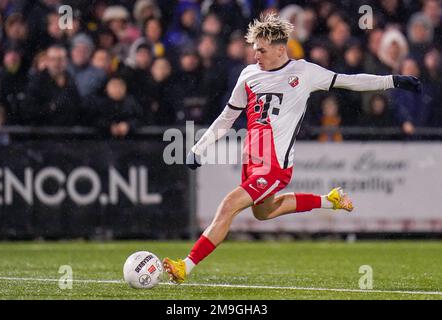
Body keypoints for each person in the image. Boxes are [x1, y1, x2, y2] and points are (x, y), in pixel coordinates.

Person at [163, 14, 421, 284]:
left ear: (280, 49)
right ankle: (329, 200)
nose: (256, 56)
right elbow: (227, 117)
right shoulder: (248, 75)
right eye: (254, 51)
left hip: (274, 165)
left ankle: (185, 266)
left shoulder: (304, 72)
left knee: (228, 206)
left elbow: (351, 80)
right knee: (263, 212)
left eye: (261, 51)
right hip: (252, 160)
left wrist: (394, 81)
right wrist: (200, 147)